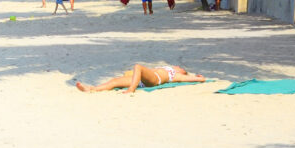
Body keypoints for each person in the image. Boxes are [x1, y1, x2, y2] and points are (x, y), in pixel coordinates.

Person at [74, 62, 206, 93]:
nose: (178, 66)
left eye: (181, 68)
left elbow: (190, 79)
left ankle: (131, 89)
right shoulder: (168, 68)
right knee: (115, 81)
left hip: (155, 80)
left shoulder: (176, 75)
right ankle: (92, 88)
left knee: (138, 66)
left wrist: (199, 78)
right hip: (144, 80)